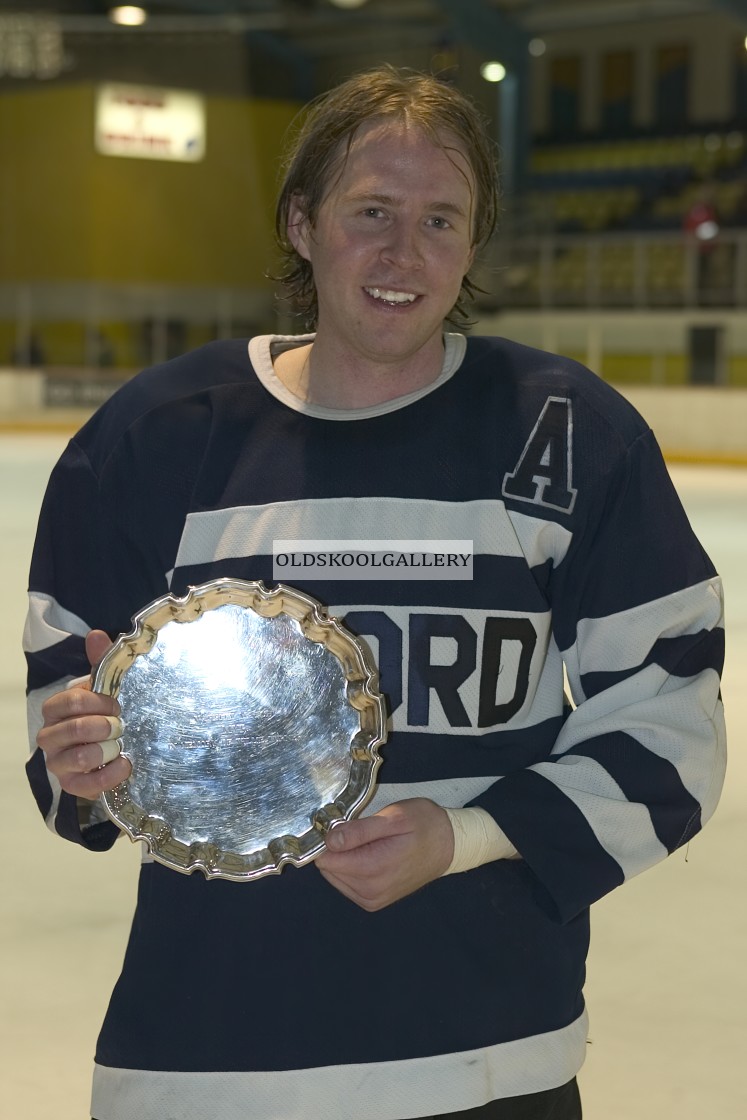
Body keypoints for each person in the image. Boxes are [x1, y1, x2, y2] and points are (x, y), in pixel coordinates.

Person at [24, 66, 726, 1120]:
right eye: (371, 213)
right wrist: (81, 761)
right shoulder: (155, 438)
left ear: (475, 243)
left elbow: (676, 732)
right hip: (205, 1060)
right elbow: (63, 737)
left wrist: (468, 836)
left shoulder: (568, 435)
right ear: (303, 224)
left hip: (488, 1060)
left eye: (442, 219)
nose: (405, 254)